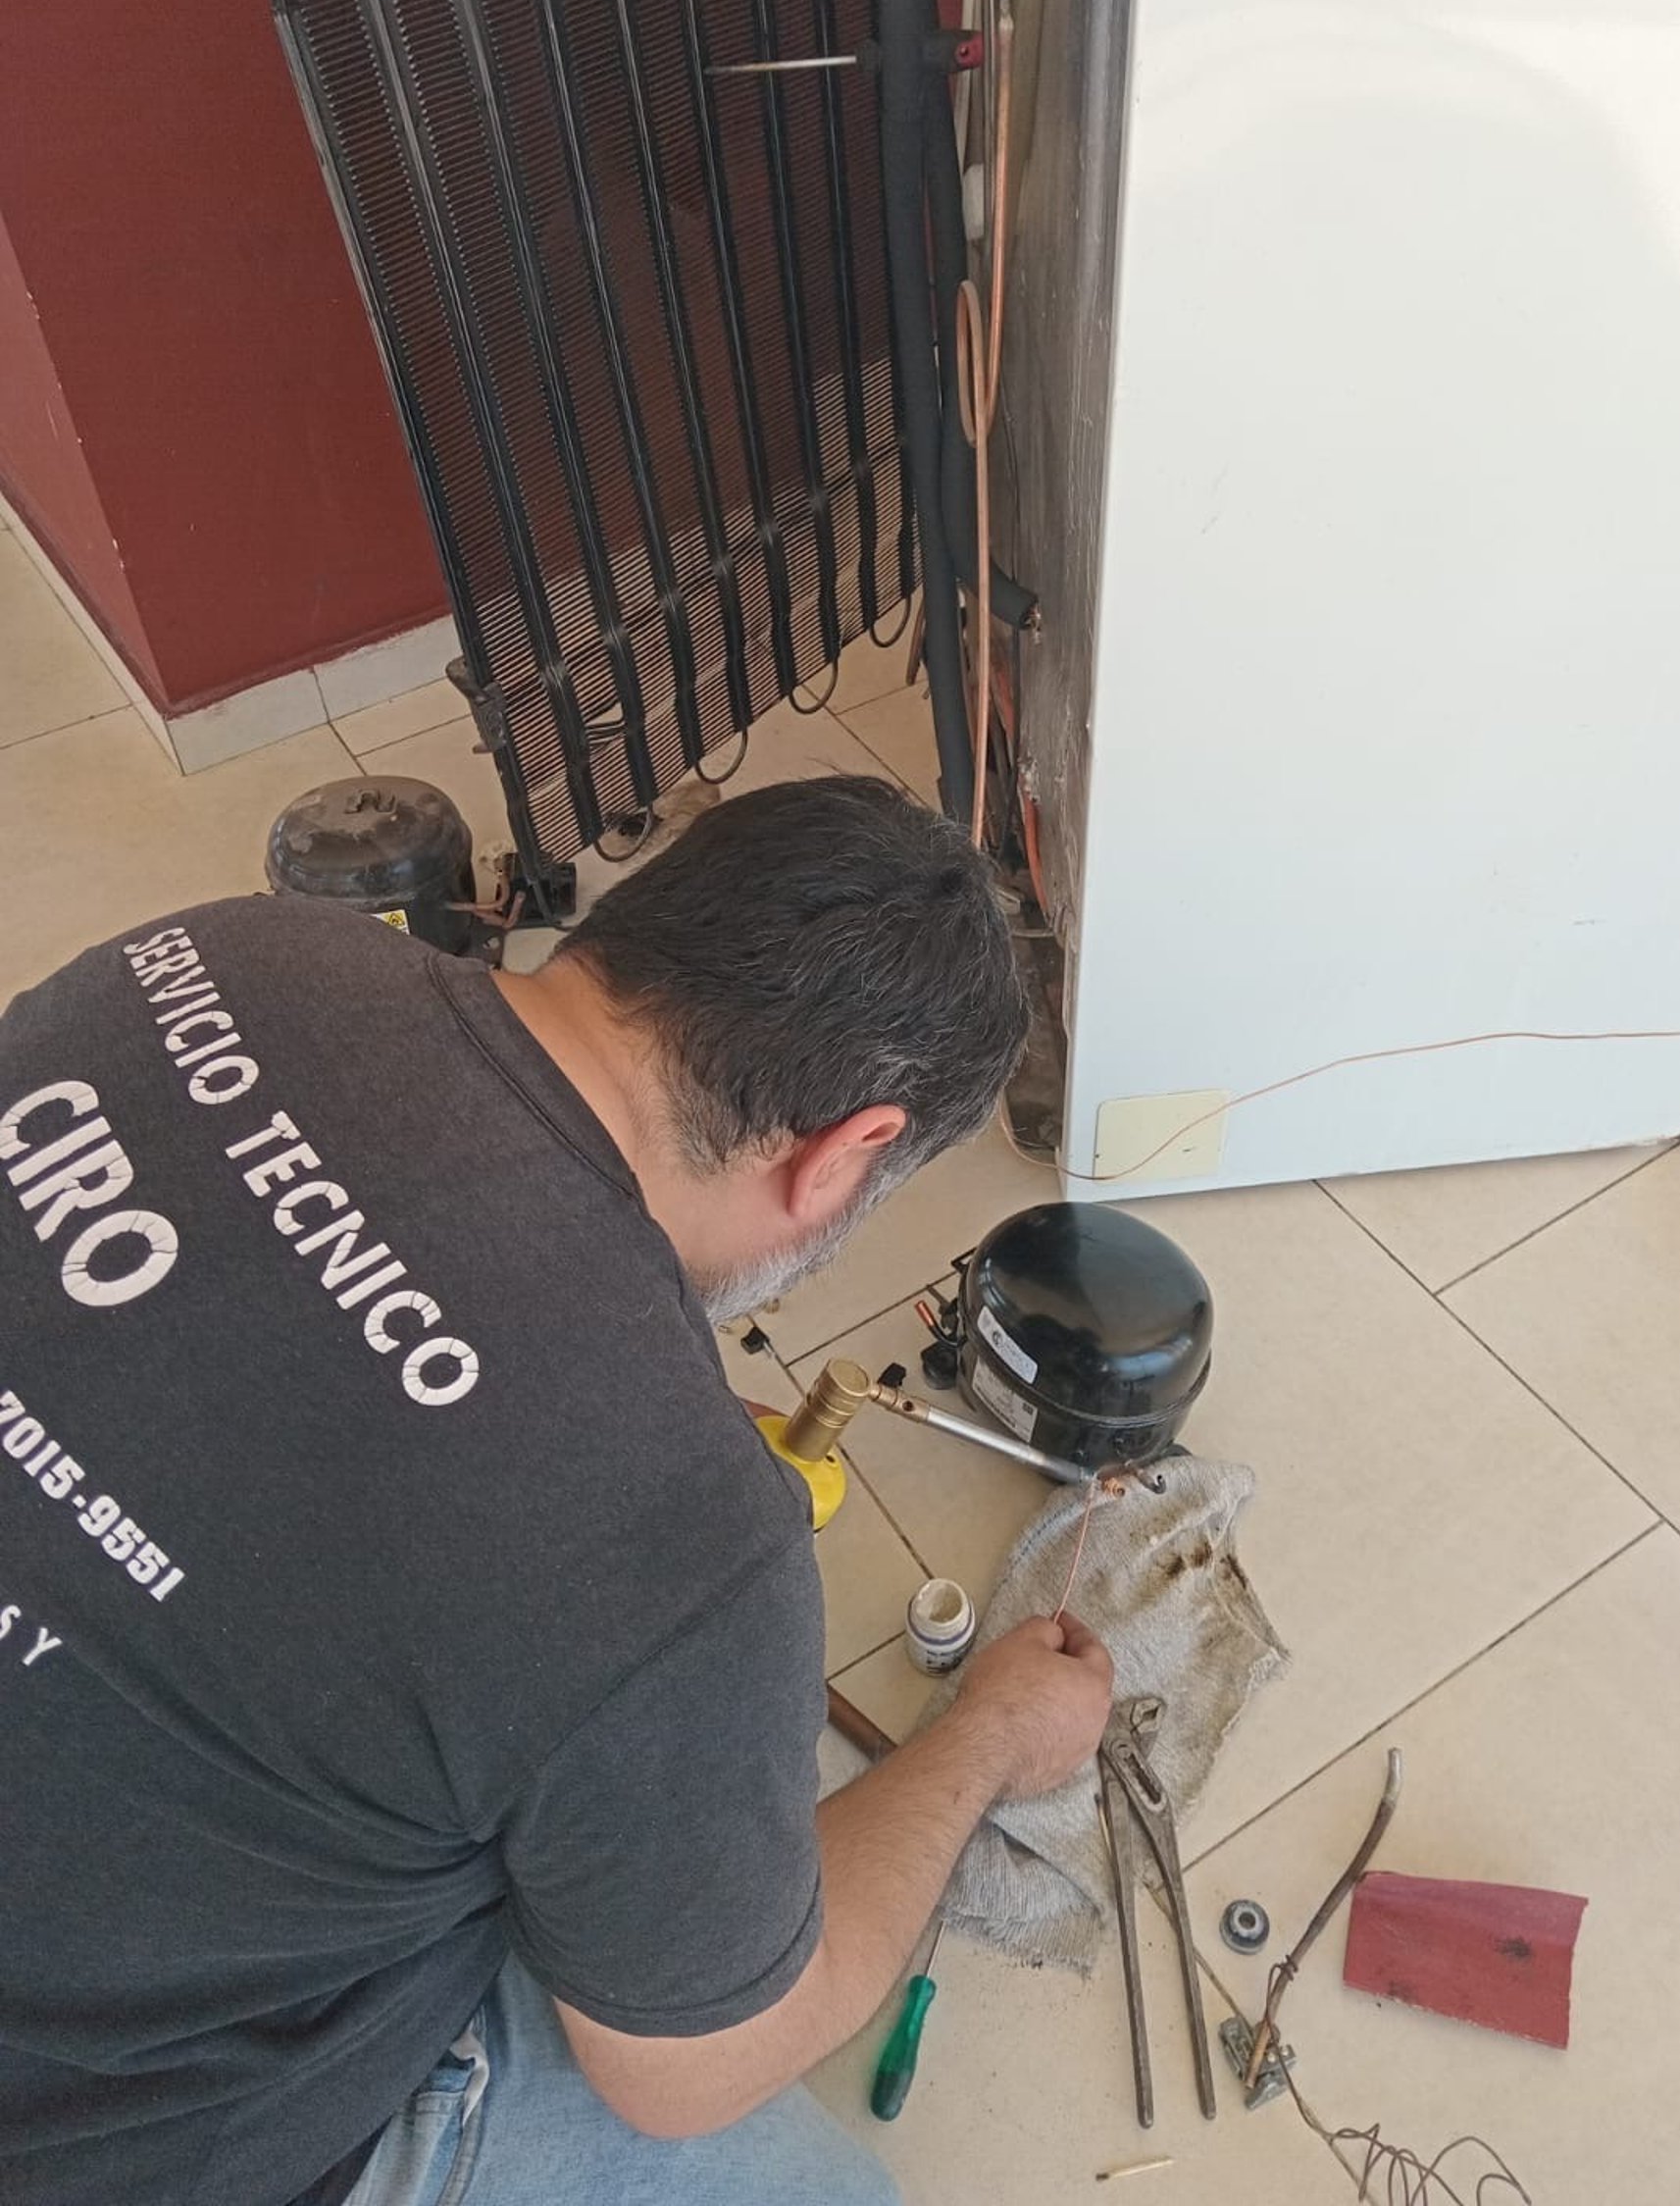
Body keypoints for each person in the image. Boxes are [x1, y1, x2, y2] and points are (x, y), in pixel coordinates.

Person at [0, 774, 1114, 2206]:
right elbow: (688, 2074)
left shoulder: (234, 952)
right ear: (851, 1153)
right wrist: (988, 1740)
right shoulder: (674, 1539)